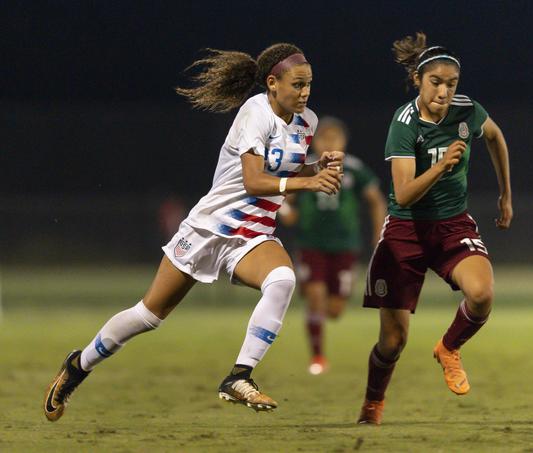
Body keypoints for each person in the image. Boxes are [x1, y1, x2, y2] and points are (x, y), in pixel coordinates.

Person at [43, 43, 345, 422]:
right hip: (208, 228)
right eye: (297, 85)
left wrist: (315, 166)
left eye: (309, 85)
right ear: (272, 82)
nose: (305, 93)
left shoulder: (307, 123)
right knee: (148, 315)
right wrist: (312, 182)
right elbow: (254, 181)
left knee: (283, 280)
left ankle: (239, 376)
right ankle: (78, 365)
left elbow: (282, 170)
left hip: (251, 235)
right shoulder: (255, 113)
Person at [357, 32, 513, 425]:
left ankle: (448, 348)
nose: (444, 92)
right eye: (436, 83)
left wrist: (505, 195)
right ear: (418, 80)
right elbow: (405, 194)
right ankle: (372, 404)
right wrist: (441, 166)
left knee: (482, 294)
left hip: (451, 225)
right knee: (393, 342)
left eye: (451, 84)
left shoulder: (467, 111)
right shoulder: (404, 123)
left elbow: (494, 136)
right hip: (405, 232)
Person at [278, 117, 386, 375]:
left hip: (345, 245)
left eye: (335, 138)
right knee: (316, 298)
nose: (330, 143)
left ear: (344, 142)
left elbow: (376, 200)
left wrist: (379, 233)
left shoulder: (354, 169)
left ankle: (315, 309)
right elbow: (283, 198)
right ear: (315, 142)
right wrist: (286, 211)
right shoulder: (305, 168)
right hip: (311, 243)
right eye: (325, 138)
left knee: (335, 310)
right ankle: (317, 357)